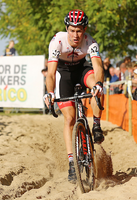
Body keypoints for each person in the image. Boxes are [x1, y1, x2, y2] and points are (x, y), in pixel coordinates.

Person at [44, 9, 104, 183]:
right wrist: (50, 92)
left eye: (79, 30)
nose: (75, 34)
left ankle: (97, 126)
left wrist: (98, 84)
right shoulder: (57, 41)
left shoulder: (91, 42)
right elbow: (51, 73)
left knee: (97, 85)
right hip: (64, 75)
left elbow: (98, 67)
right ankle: (72, 161)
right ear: (66, 29)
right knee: (69, 119)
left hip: (81, 70)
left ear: (84, 30)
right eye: (72, 30)